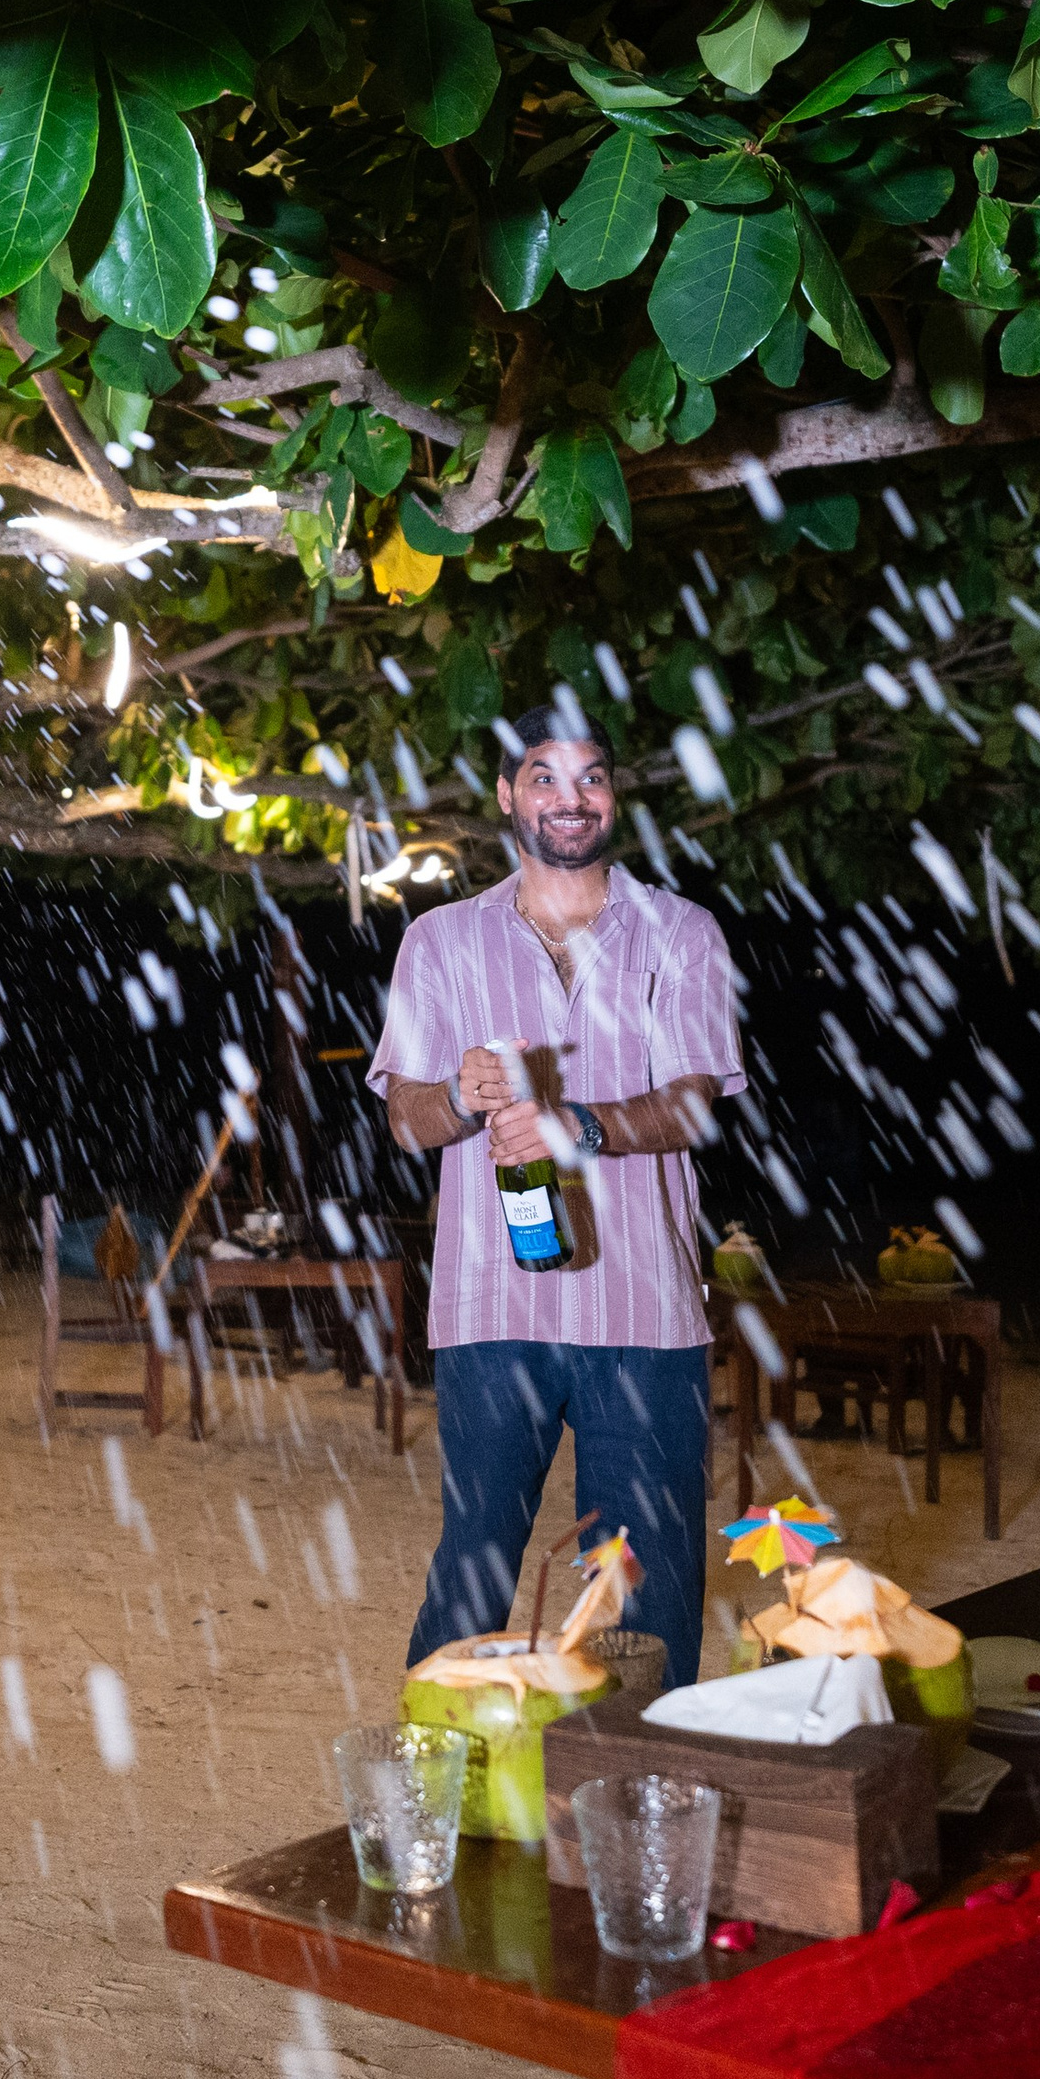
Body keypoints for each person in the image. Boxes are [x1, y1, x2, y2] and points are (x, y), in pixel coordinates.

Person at [368, 707, 744, 1684]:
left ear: (612, 796)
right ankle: (438, 1795)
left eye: (589, 777)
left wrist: (578, 1124)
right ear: (506, 795)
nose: (567, 798)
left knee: (642, 1590)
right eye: (543, 775)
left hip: (645, 1311)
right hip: (492, 1305)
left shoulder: (681, 933)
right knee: (473, 1572)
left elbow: (696, 1106)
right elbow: (405, 1119)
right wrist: (458, 1095)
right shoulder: (439, 941)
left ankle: (635, 1798)